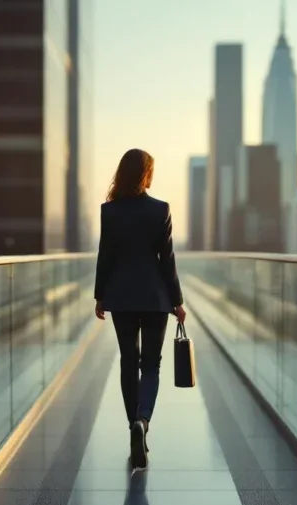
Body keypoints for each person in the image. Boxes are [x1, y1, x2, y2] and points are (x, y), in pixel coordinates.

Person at [94, 148, 186, 469]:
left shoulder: (110, 211)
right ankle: (143, 421)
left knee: (128, 361)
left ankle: (132, 422)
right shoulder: (160, 210)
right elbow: (167, 261)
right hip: (155, 298)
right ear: (146, 174)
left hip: (121, 297)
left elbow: (105, 256)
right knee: (151, 365)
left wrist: (100, 295)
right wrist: (177, 301)